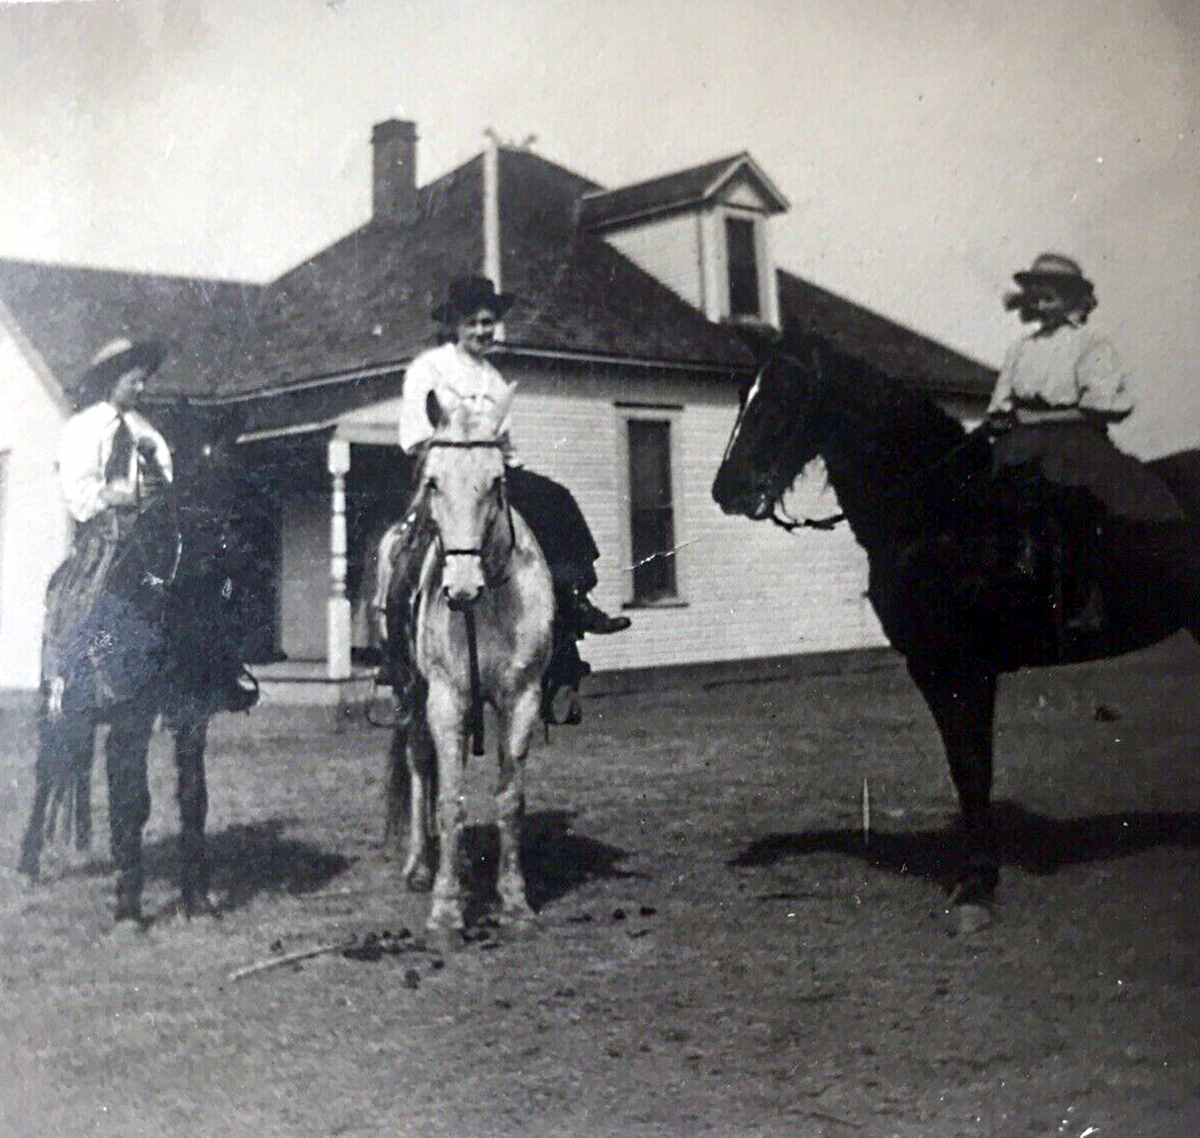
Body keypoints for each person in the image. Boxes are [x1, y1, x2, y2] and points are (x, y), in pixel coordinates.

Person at [376, 275, 630, 716]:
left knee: (556, 498)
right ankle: (397, 659)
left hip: (491, 474)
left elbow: (505, 443)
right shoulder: (429, 368)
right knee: (401, 554)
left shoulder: (494, 380)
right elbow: (416, 435)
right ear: (456, 325)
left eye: (488, 323)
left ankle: (572, 604)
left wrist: (500, 463)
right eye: (473, 323)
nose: (481, 332)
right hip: (444, 472)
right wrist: (454, 459)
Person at [986, 253, 1184, 632]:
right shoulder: (1021, 349)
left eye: (1051, 297)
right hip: (1020, 442)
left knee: (1073, 503)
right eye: (1037, 298)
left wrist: (1040, 418)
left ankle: (1090, 597)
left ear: (1072, 300)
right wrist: (1002, 417)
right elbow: (1002, 400)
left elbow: (1105, 407)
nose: (1043, 306)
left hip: (1075, 442)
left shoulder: (1090, 344)